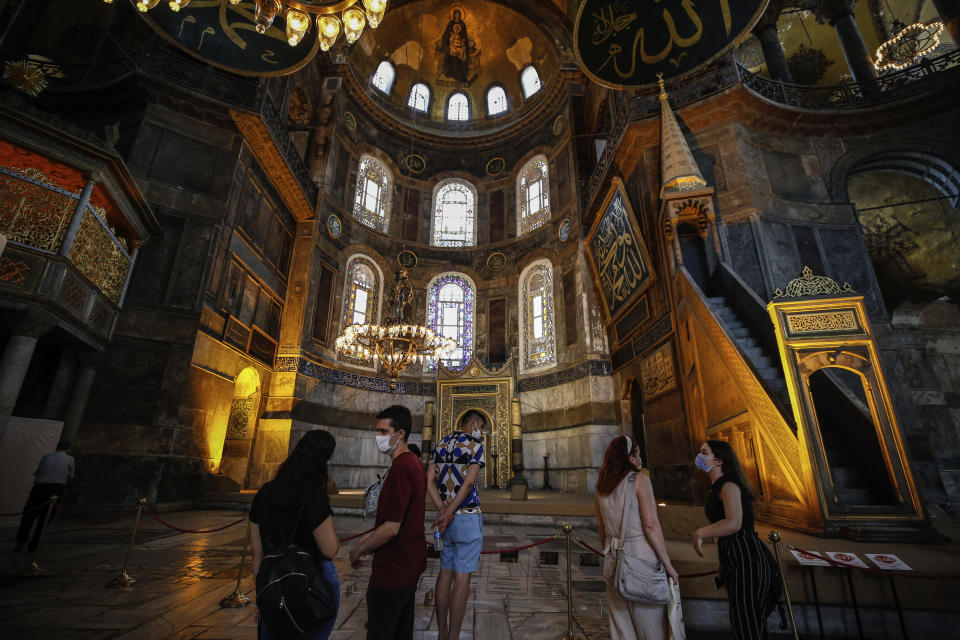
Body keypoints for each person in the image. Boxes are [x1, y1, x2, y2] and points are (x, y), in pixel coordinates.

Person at [249, 430, 340, 640]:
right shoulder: (313, 494)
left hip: (273, 578)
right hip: (311, 580)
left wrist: (262, 595)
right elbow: (330, 548)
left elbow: (257, 552)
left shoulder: (264, 493)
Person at [349, 405, 426, 640]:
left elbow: (392, 527)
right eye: (378, 431)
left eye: (383, 432)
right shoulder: (413, 462)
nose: (378, 437)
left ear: (399, 434)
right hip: (408, 565)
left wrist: (360, 548)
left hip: (394, 568)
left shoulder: (402, 468)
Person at [691, 440, 777, 640]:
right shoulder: (716, 486)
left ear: (719, 461)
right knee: (743, 622)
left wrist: (701, 533)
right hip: (736, 556)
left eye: (704, 453)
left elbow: (734, 523)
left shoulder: (728, 485)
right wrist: (724, 562)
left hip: (747, 558)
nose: (699, 456)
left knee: (748, 623)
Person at [594, 435, 678, 640]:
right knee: (651, 629)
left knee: (622, 629)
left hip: (612, 558)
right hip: (640, 560)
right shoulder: (639, 480)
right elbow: (650, 525)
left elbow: (601, 528)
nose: (640, 459)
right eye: (638, 454)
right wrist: (667, 564)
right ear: (630, 458)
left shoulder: (602, 486)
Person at [427, 410, 486, 640]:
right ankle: (453, 637)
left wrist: (442, 510)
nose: (480, 431)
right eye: (480, 426)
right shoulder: (475, 444)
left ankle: (441, 634)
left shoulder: (440, 443)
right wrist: (450, 511)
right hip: (467, 517)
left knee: (445, 573)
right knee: (462, 576)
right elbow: (470, 481)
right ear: (472, 423)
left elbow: (428, 480)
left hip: (445, 522)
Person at [16, 441, 75, 552]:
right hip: (55, 489)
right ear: (68, 448)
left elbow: (37, 472)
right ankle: (34, 544)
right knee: (45, 518)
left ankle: (21, 540)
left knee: (29, 515)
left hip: (39, 487)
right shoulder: (70, 459)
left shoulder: (46, 457)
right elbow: (70, 475)